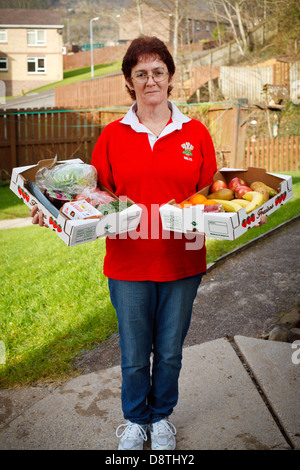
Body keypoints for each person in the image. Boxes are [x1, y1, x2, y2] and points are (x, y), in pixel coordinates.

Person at [30, 36, 266, 450]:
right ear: (129, 81)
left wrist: (244, 211)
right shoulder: (112, 136)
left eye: (158, 71)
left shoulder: (195, 133)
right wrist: (51, 210)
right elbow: (92, 197)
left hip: (183, 260)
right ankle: (136, 421)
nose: (150, 80)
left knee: (171, 352)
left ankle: (161, 419)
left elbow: (212, 193)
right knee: (135, 354)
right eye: (141, 73)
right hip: (128, 263)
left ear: (170, 77)